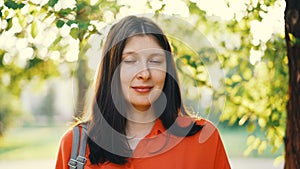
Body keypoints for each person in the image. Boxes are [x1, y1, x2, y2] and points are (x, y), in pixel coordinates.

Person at [55, 15, 230, 169]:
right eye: (130, 61)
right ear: (111, 69)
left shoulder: (204, 139)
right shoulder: (75, 145)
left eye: (155, 61)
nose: (144, 74)